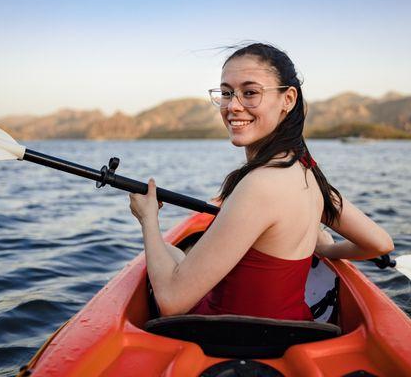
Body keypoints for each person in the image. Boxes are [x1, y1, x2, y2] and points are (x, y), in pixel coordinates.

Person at [129, 43, 394, 320]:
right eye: (226, 93)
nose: (232, 106)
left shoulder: (259, 185)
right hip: (295, 327)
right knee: (174, 255)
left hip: (232, 337)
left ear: (288, 99)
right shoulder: (308, 171)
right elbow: (379, 243)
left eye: (250, 93)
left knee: (168, 251)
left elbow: (171, 301)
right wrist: (325, 248)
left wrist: (148, 219)